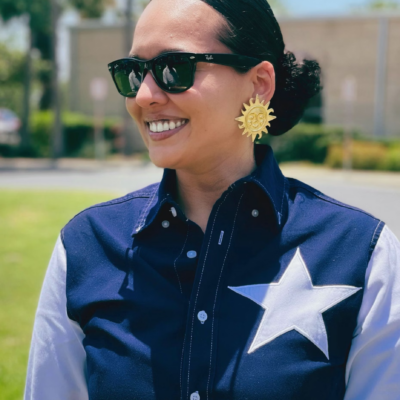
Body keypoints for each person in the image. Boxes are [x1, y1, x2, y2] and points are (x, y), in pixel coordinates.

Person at [25, 0, 400, 399]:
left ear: (259, 83)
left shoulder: (361, 253)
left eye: (176, 68)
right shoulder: (86, 246)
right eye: (133, 73)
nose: (145, 95)